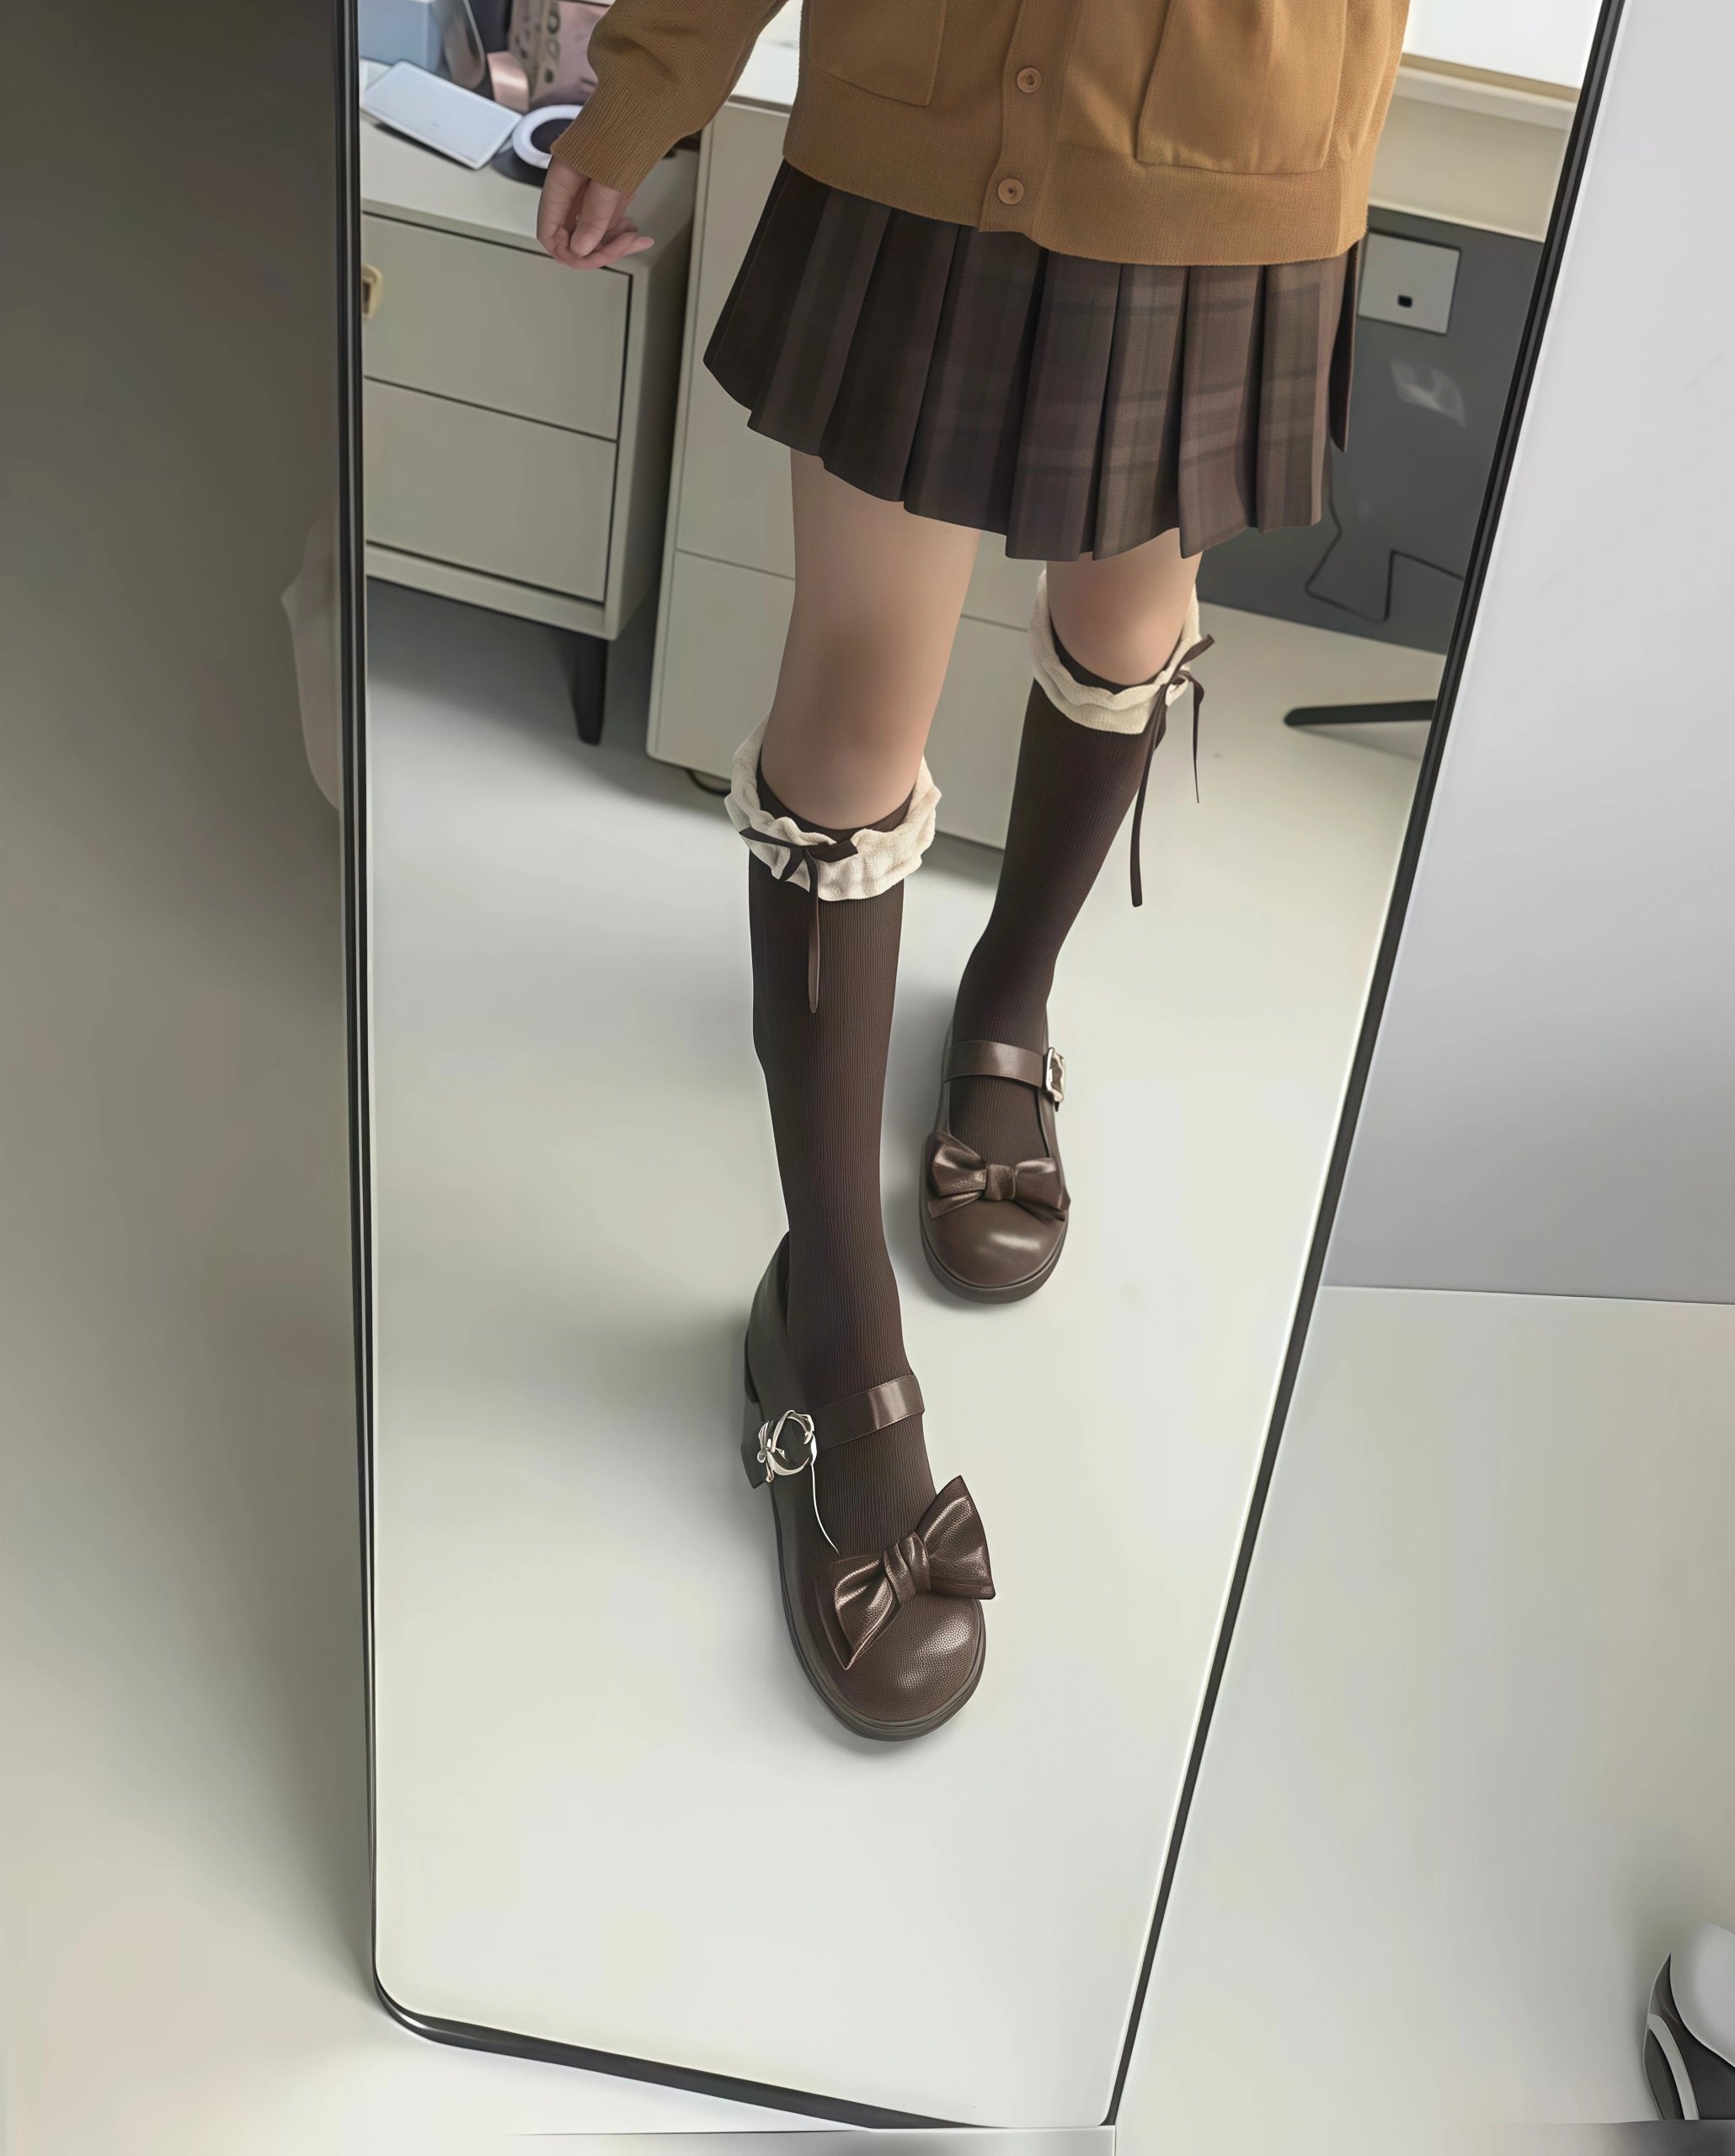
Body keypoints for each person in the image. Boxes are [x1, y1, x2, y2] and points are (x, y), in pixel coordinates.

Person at [537, 0, 1412, 1741]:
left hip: (1232, 141)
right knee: (854, 701)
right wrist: (650, 80)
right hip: (928, 119)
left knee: (1129, 614)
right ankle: (832, 1316)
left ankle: (1007, 998)